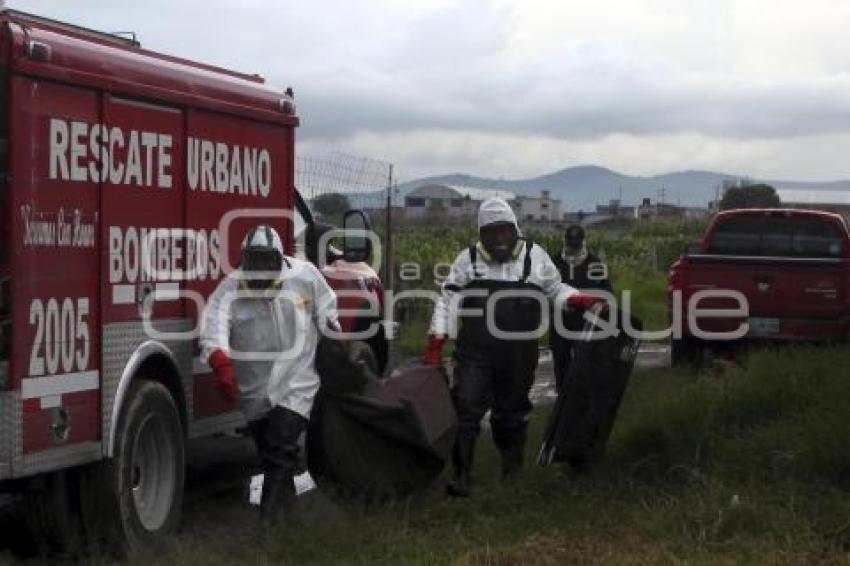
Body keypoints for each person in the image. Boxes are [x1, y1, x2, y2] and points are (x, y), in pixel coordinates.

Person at [422, 198, 603, 497]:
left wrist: (578, 299)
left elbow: (555, 289)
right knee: (466, 407)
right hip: (475, 351)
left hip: (520, 352)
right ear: (482, 234)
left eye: (504, 231)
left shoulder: (535, 257)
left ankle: (511, 475)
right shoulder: (467, 260)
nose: (498, 238)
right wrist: (436, 343)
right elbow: (448, 301)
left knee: (512, 412)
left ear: (514, 229)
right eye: (491, 233)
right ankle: (462, 476)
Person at [200, 225, 339, 521]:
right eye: (255, 261)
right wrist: (220, 364)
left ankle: (268, 523)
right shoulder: (229, 288)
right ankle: (288, 521)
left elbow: (327, 306)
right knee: (273, 455)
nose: (261, 270)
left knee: (279, 445)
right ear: (244, 261)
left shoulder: (305, 275)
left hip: (297, 381)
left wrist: (333, 337)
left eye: (267, 261)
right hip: (254, 389)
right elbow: (213, 326)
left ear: (281, 259)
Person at [550, 225, 612, 395]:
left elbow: (607, 293)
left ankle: (582, 398)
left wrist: (600, 305)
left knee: (584, 361)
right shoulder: (554, 262)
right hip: (560, 321)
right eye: (570, 245)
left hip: (585, 322)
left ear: (583, 244)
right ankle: (562, 397)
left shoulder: (595, 264)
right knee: (561, 361)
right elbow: (546, 290)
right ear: (565, 242)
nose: (572, 250)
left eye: (576, 246)